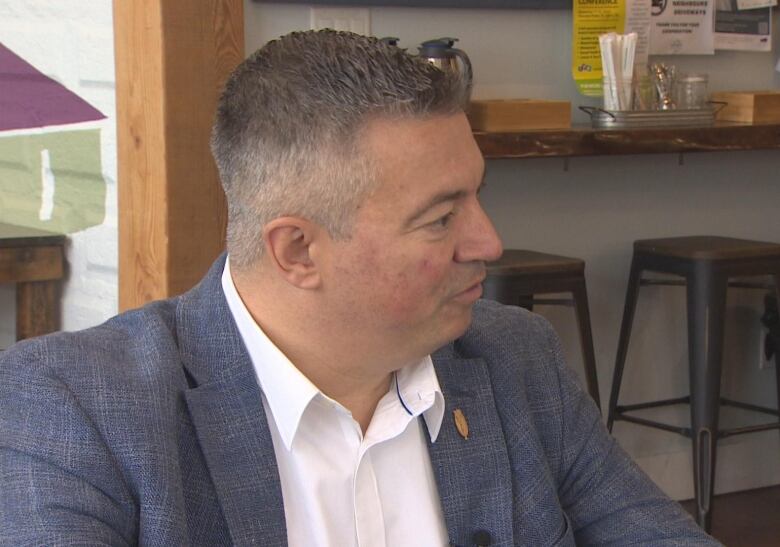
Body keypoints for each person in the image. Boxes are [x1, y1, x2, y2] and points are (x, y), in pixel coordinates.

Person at [0, 30, 719, 546]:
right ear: (298, 249)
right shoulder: (77, 408)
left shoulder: (513, 359)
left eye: (478, 195)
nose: (490, 243)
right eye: (442, 218)